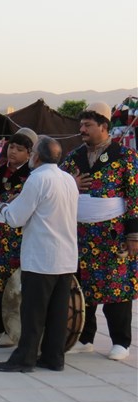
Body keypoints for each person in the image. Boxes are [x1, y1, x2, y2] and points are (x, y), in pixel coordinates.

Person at [0, 136, 79, 372]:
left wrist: (2, 207)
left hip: (41, 256)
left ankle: (24, 358)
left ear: (37, 156)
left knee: (33, 311)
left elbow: (16, 218)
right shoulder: (67, 179)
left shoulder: (37, 179)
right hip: (66, 257)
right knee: (57, 312)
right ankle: (53, 358)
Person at [61, 102, 137, 361]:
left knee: (116, 286)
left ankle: (121, 341)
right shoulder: (74, 157)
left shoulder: (125, 157)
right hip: (79, 232)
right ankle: (85, 337)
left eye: (87, 125)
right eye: (81, 125)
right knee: (82, 284)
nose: (82, 129)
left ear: (104, 127)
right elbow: (56, 185)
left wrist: (133, 234)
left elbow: (134, 196)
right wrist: (71, 182)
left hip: (112, 232)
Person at [0, 129, 37, 347]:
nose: (13, 152)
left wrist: (4, 205)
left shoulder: (31, 176)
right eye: (11, 147)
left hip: (16, 235)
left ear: (29, 153)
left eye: (19, 149)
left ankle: (12, 330)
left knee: (12, 282)